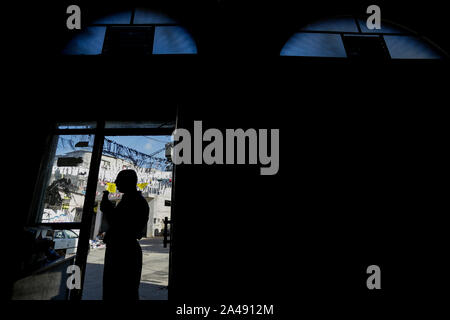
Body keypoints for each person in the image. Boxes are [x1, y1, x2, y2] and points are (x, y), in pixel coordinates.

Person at [100, 169, 149, 300]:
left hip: (124, 252)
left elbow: (121, 225)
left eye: (118, 180)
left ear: (128, 182)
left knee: (121, 292)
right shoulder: (129, 200)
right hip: (121, 249)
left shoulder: (134, 202)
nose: (115, 183)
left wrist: (107, 208)